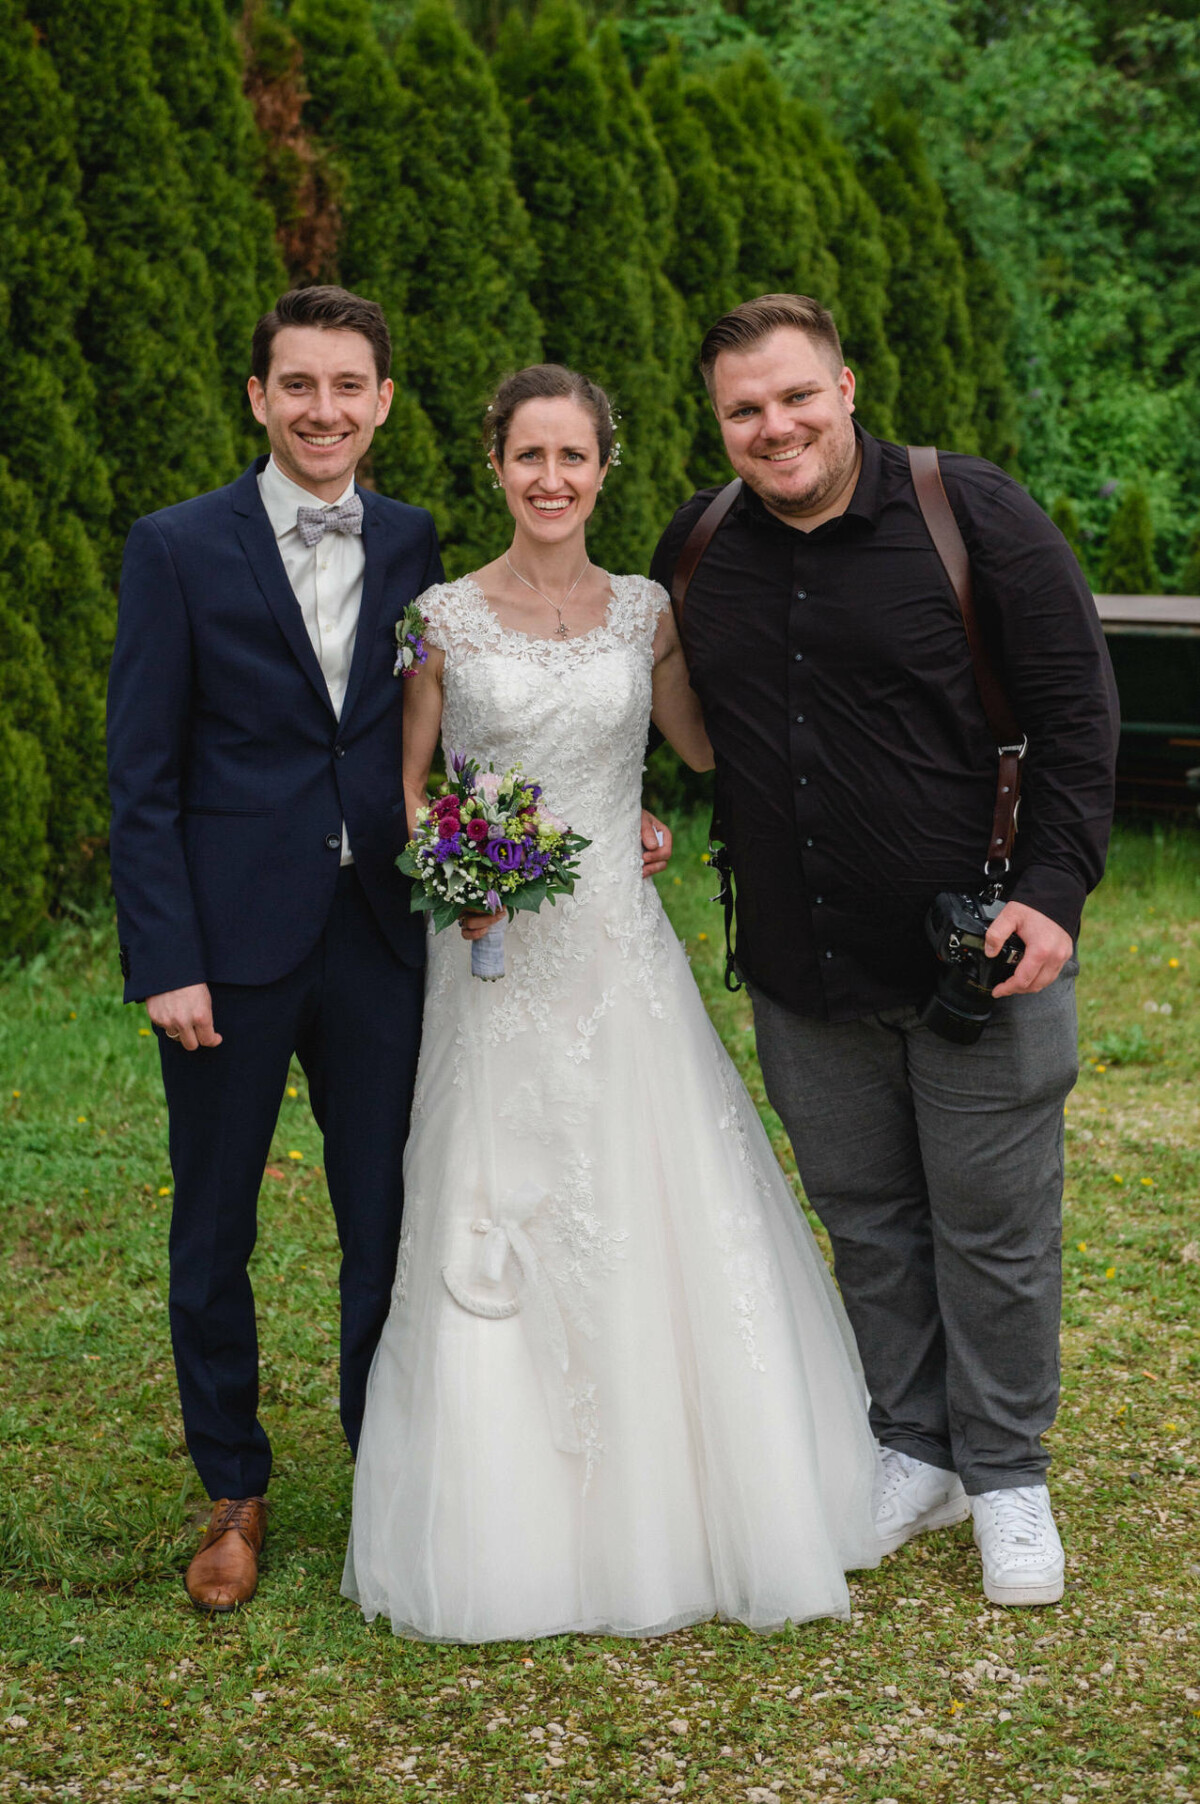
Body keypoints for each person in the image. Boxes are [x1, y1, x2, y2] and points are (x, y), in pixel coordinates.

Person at [107, 289, 672, 1615]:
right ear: (259, 397)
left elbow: (464, 722)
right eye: (298, 385)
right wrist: (165, 955)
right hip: (229, 950)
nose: (324, 409)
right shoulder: (177, 548)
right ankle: (233, 1487)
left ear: (383, 404)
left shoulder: (418, 543)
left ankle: (390, 1463)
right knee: (214, 1225)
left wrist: (597, 801)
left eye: (348, 386)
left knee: (389, 1220)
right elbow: (140, 775)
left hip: (384, 942)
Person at [342, 364, 881, 1641]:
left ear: (604, 468)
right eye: (528, 457)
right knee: (497, 1190)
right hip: (492, 959)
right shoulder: (440, 618)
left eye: (572, 459)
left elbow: (702, 745)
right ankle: (505, 1506)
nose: (550, 481)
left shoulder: (648, 611)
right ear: (496, 468)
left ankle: (689, 1488)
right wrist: (449, 866)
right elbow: (411, 786)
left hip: (617, 956)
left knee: (649, 1191)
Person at [649, 294, 1120, 1608]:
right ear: (720, 423)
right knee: (866, 1219)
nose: (775, 426)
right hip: (806, 963)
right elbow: (653, 703)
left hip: (983, 951)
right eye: (745, 409)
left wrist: (1055, 895)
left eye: (797, 396)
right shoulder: (699, 547)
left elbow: (1081, 721)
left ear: (847, 388)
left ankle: (1009, 1472)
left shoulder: (975, 516)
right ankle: (915, 1446)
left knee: (994, 1224)